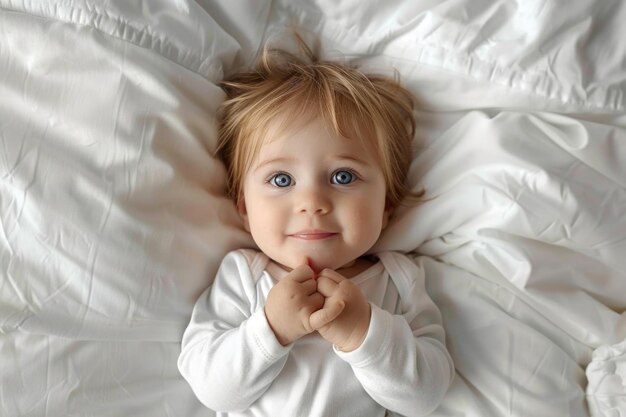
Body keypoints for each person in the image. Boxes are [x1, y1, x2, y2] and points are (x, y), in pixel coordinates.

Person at [177, 39, 454, 417]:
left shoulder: (399, 281)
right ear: (244, 208)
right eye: (280, 180)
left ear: (386, 205)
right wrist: (270, 330)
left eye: (343, 176)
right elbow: (211, 389)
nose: (312, 202)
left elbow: (428, 396)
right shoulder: (244, 276)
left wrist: (365, 333)